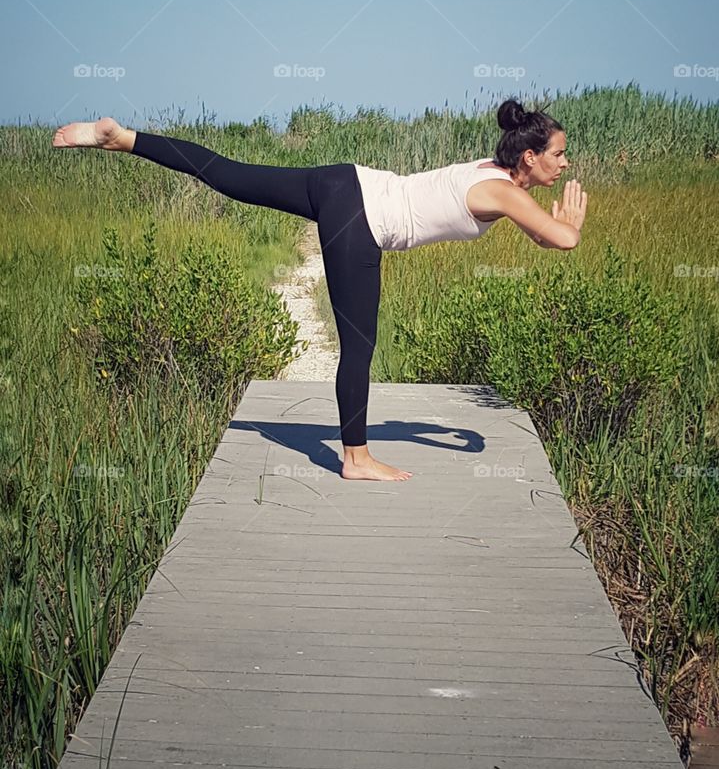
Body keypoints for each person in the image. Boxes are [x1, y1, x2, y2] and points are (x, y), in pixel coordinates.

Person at [52, 98, 587, 482]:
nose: (565, 164)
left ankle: (123, 140)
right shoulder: (502, 188)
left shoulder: (491, 172)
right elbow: (560, 239)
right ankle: (354, 458)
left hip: (343, 180)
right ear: (529, 159)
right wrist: (572, 228)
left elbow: (540, 235)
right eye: (559, 155)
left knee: (230, 173)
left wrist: (553, 231)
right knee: (358, 348)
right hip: (360, 219)